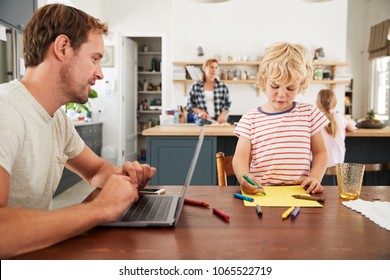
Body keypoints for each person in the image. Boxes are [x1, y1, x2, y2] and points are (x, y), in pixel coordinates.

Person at [0, 4, 156, 259]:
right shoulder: (5, 109)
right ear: (62, 48)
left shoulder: (57, 118)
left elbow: (95, 170)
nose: (100, 74)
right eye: (94, 58)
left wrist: (123, 179)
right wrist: (101, 208)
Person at [232, 42, 329, 195]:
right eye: (275, 86)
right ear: (264, 81)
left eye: (290, 88)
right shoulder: (250, 118)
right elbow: (240, 157)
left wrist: (315, 177)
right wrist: (244, 178)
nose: (282, 94)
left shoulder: (309, 113)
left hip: (299, 194)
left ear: (301, 84)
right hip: (262, 193)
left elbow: (321, 152)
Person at [316, 89, 354, 167]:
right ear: (335, 103)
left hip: (319, 164)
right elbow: (351, 128)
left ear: (317, 102)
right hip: (338, 164)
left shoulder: (315, 118)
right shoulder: (340, 117)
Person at [186, 58, 231, 124]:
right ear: (204, 69)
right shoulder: (196, 86)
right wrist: (200, 112)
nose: (214, 70)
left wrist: (222, 115)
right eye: (211, 67)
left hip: (218, 121)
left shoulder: (222, 86)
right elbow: (190, 105)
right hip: (201, 120)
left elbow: (227, 104)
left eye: (216, 68)